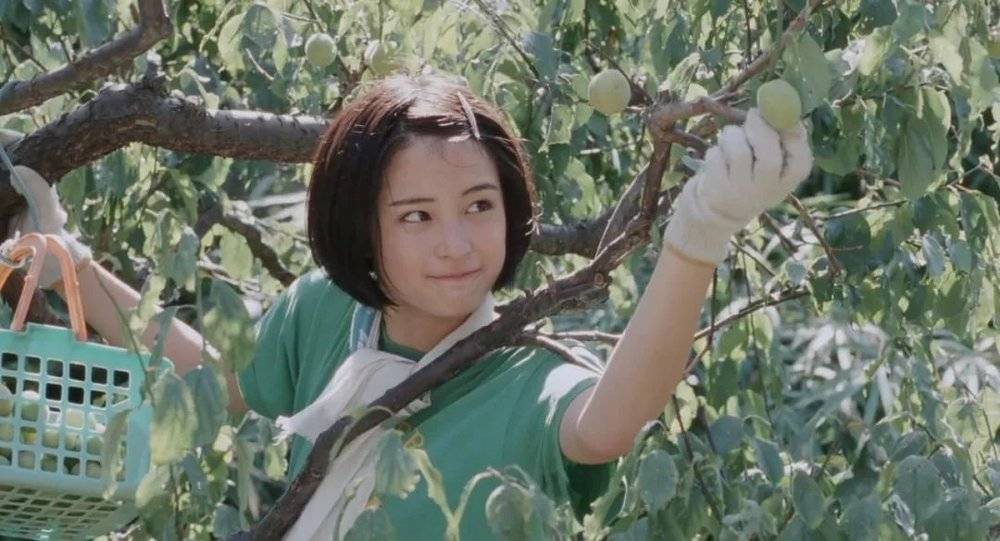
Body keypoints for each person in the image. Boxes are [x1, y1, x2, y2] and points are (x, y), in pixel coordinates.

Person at [1, 71, 813, 539]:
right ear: (362, 229)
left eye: (479, 206)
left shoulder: (524, 379)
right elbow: (219, 385)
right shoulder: (327, 310)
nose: (456, 243)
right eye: (416, 216)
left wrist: (697, 235)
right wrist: (75, 265)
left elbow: (608, 420)